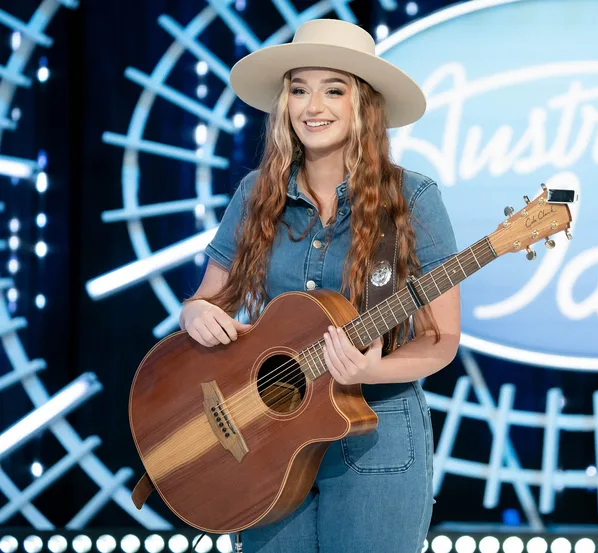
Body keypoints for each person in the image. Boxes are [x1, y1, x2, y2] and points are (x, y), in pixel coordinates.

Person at [177, 18, 460, 553]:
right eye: (299, 89)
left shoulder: (413, 201)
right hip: (266, 434)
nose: (314, 106)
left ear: (365, 106)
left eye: (334, 89)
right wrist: (194, 314)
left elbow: (441, 338)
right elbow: (204, 301)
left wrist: (373, 368)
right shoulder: (255, 194)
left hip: (374, 437)